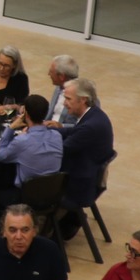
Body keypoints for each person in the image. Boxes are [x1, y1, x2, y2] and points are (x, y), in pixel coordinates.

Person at [55, 78, 115, 233]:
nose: (64, 103)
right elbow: (73, 132)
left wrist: (35, 139)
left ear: (83, 100)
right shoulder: (95, 115)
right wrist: (48, 130)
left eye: (68, 99)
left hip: (78, 186)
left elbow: (61, 150)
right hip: (88, 175)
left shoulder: (90, 126)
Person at [0, 93, 62, 186]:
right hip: (52, 190)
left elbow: (0, 156)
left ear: (26, 114)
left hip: (26, 192)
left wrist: (11, 128)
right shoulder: (57, 136)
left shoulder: (22, 141)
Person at [45, 55, 81, 126]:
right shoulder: (58, 87)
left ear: (61, 77)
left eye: (51, 72)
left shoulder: (82, 95)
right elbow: (51, 112)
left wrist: (62, 126)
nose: (48, 74)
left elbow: (86, 126)